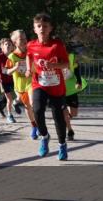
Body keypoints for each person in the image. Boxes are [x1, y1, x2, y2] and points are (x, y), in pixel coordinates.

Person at [25, 13, 72, 161]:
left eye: (45, 26)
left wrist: (53, 65)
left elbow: (66, 64)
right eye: (39, 26)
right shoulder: (31, 45)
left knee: (58, 117)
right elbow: (28, 55)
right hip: (39, 83)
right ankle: (44, 136)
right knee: (37, 109)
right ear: (34, 29)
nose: (42, 29)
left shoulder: (57, 45)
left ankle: (62, 144)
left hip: (56, 86)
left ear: (50, 28)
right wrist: (28, 68)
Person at [7, 30, 39, 138]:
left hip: (32, 82)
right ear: (15, 42)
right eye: (21, 39)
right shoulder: (12, 56)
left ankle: (40, 125)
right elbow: (7, 71)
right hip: (20, 86)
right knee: (28, 107)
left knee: (33, 103)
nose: (25, 41)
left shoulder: (31, 52)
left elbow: (37, 65)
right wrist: (15, 68)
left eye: (25, 38)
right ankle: (34, 126)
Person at [62, 48, 87, 141]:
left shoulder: (71, 57)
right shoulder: (52, 57)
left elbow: (76, 68)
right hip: (59, 88)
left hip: (71, 88)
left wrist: (79, 81)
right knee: (63, 112)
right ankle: (69, 130)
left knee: (74, 113)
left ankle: (64, 119)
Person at [0, 38, 16, 124]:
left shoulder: (14, 56)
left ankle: (0, 102)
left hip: (13, 80)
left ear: (12, 47)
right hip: (3, 80)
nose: (8, 46)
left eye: (10, 44)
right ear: (2, 46)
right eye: (6, 44)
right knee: (9, 99)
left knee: (9, 98)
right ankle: (10, 116)